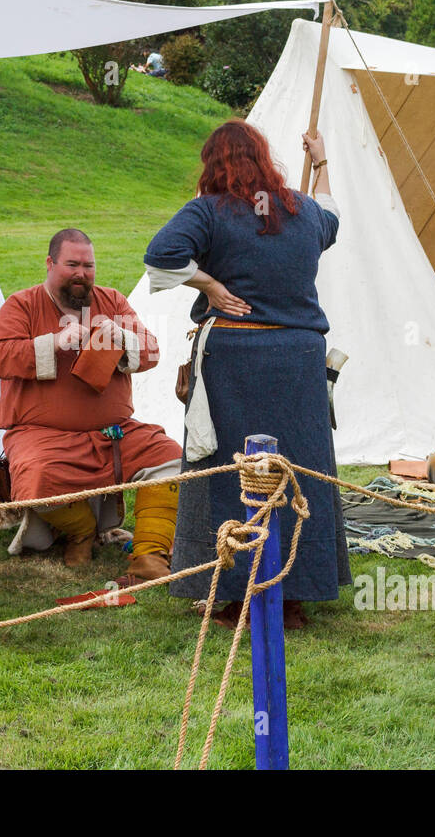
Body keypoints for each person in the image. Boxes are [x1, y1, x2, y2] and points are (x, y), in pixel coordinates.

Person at [143, 119, 349, 630]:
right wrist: (321, 161)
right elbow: (333, 216)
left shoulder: (208, 211)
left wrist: (209, 284)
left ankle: (235, 595)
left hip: (235, 360)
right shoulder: (302, 210)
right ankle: (293, 596)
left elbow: (161, 257)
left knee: (234, 474)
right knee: (295, 471)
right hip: (299, 358)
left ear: (212, 165)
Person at [0, 229, 183, 583]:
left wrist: (120, 337)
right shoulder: (22, 305)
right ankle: (82, 531)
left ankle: (151, 555)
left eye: (88, 266)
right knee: (37, 477)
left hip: (114, 435)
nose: (81, 273)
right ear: (50, 264)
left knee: (171, 457)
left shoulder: (112, 303)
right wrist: (54, 343)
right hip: (43, 437)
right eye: (72, 264)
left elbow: (152, 351)